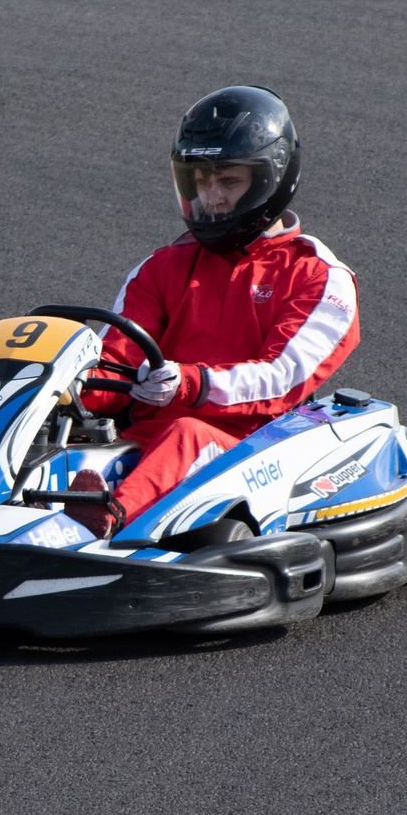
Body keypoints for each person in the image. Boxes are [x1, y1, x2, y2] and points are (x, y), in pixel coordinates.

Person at [74, 85, 361, 537]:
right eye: (201, 182)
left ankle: (97, 526)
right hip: (145, 442)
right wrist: (67, 386)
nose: (213, 198)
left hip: (250, 448)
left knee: (186, 435)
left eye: (228, 181)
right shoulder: (162, 267)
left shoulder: (317, 276)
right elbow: (118, 359)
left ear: (271, 179)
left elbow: (281, 378)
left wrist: (190, 383)